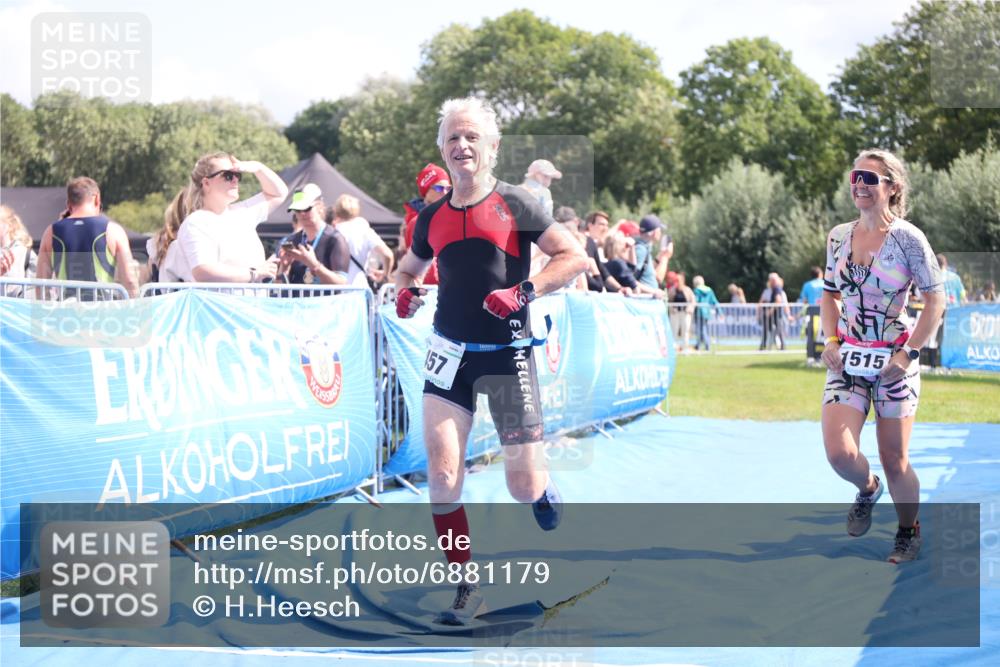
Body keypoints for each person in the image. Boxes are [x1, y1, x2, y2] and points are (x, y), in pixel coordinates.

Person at [394, 97, 587, 625]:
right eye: (453, 138)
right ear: (442, 149)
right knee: (441, 472)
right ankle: (466, 588)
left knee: (521, 487)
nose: (462, 146)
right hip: (449, 355)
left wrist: (525, 291)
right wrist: (405, 291)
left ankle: (542, 487)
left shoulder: (517, 203)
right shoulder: (430, 217)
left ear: (493, 147)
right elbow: (407, 270)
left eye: (472, 137)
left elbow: (574, 257)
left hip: (507, 354)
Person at [820, 149, 944, 564]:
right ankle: (868, 489)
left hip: (894, 363)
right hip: (848, 359)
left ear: (892, 187)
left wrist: (908, 355)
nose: (859, 184)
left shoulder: (909, 239)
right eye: (855, 176)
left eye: (870, 178)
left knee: (895, 459)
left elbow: (935, 300)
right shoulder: (838, 236)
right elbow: (829, 295)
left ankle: (909, 530)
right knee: (839, 454)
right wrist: (830, 340)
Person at [159, 153, 288, 285]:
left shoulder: (243, 212)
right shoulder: (196, 222)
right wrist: (254, 274)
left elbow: (279, 193)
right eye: (228, 175)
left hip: (252, 298)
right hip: (218, 299)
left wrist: (258, 167)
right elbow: (203, 271)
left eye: (237, 175)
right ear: (206, 183)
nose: (235, 180)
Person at [36, 177, 139, 297]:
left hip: (66, 307)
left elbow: (41, 285)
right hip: (102, 307)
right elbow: (129, 280)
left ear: (68, 204)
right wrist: (136, 305)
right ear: (97, 199)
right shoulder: (113, 231)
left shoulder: (51, 232)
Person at [277, 183, 350, 287]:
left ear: (320, 206)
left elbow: (341, 283)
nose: (302, 213)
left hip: (326, 298)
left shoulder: (334, 239)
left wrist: (314, 265)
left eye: (307, 208)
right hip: (297, 298)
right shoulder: (292, 240)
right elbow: (278, 288)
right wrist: (284, 267)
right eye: (297, 209)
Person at [330, 194, 394, 290]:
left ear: (336, 212)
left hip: (335, 289)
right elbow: (388, 255)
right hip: (359, 288)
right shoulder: (364, 231)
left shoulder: (331, 232)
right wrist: (385, 275)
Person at [403, 163, 451, 285]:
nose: (445, 192)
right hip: (431, 290)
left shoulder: (453, 218)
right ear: (426, 192)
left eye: (449, 188)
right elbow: (416, 267)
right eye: (439, 188)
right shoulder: (417, 222)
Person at [582, 211, 629, 294]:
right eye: (602, 224)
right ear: (590, 225)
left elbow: (603, 271)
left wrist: (620, 288)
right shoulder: (586, 242)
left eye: (607, 225)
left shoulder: (593, 244)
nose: (605, 228)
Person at [633, 214, 671, 291]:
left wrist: (661, 254)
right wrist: (666, 256)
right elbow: (630, 279)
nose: (660, 233)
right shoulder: (641, 249)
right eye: (659, 230)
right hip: (645, 298)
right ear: (654, 232)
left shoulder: (644, 247)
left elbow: (646, 271)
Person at [758, 272, 790, 350]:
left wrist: (770, 311)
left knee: (778, 330)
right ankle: (765, 346)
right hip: (772, 314)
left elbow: (779, 301)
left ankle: (780, 346)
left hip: (776, 314)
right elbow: (761, 302)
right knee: (770, 330)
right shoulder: (770, 290)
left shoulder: (777, 289)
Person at [692, 275, 719, 351]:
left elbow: (696, 300)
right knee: (704, 329)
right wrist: (720, 312)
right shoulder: (709, 290)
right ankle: (700, 345)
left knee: (701, 330)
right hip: (707, 312)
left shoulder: (696, 290)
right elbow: (714, 301)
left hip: (699, 312)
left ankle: (705, 345)